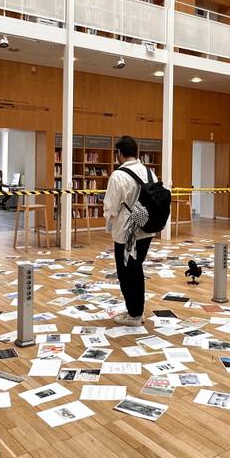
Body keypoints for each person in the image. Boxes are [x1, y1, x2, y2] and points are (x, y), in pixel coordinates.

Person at [103, 136, 154, 326]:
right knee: (136, 269)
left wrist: (108, 220)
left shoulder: (118, 175)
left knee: (126, 273)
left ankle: (134, 314)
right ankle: (135, 311)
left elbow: (111, 208)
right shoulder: (149, 172)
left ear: (119, 154)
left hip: (126, 232)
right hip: (146, 229)